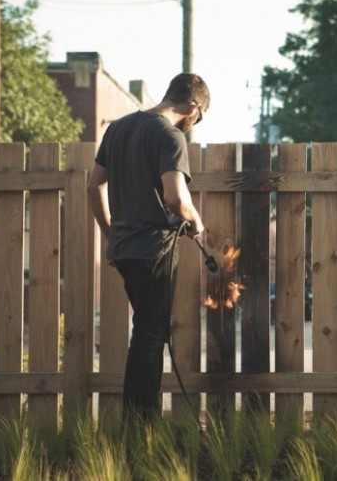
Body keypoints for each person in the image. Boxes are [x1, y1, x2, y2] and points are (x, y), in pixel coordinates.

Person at [87, 73, 209, 422]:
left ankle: (137, 424)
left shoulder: (119, 128)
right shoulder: (168, 135)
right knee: (150, 337)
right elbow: (174, 197)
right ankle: (140, 426)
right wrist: (196, 221)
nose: (192, 125)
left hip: (126, 249)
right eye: (197, 119)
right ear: (192, 106)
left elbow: (94, 186)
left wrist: (110, 235)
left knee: (145, 332)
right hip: (153, 249)